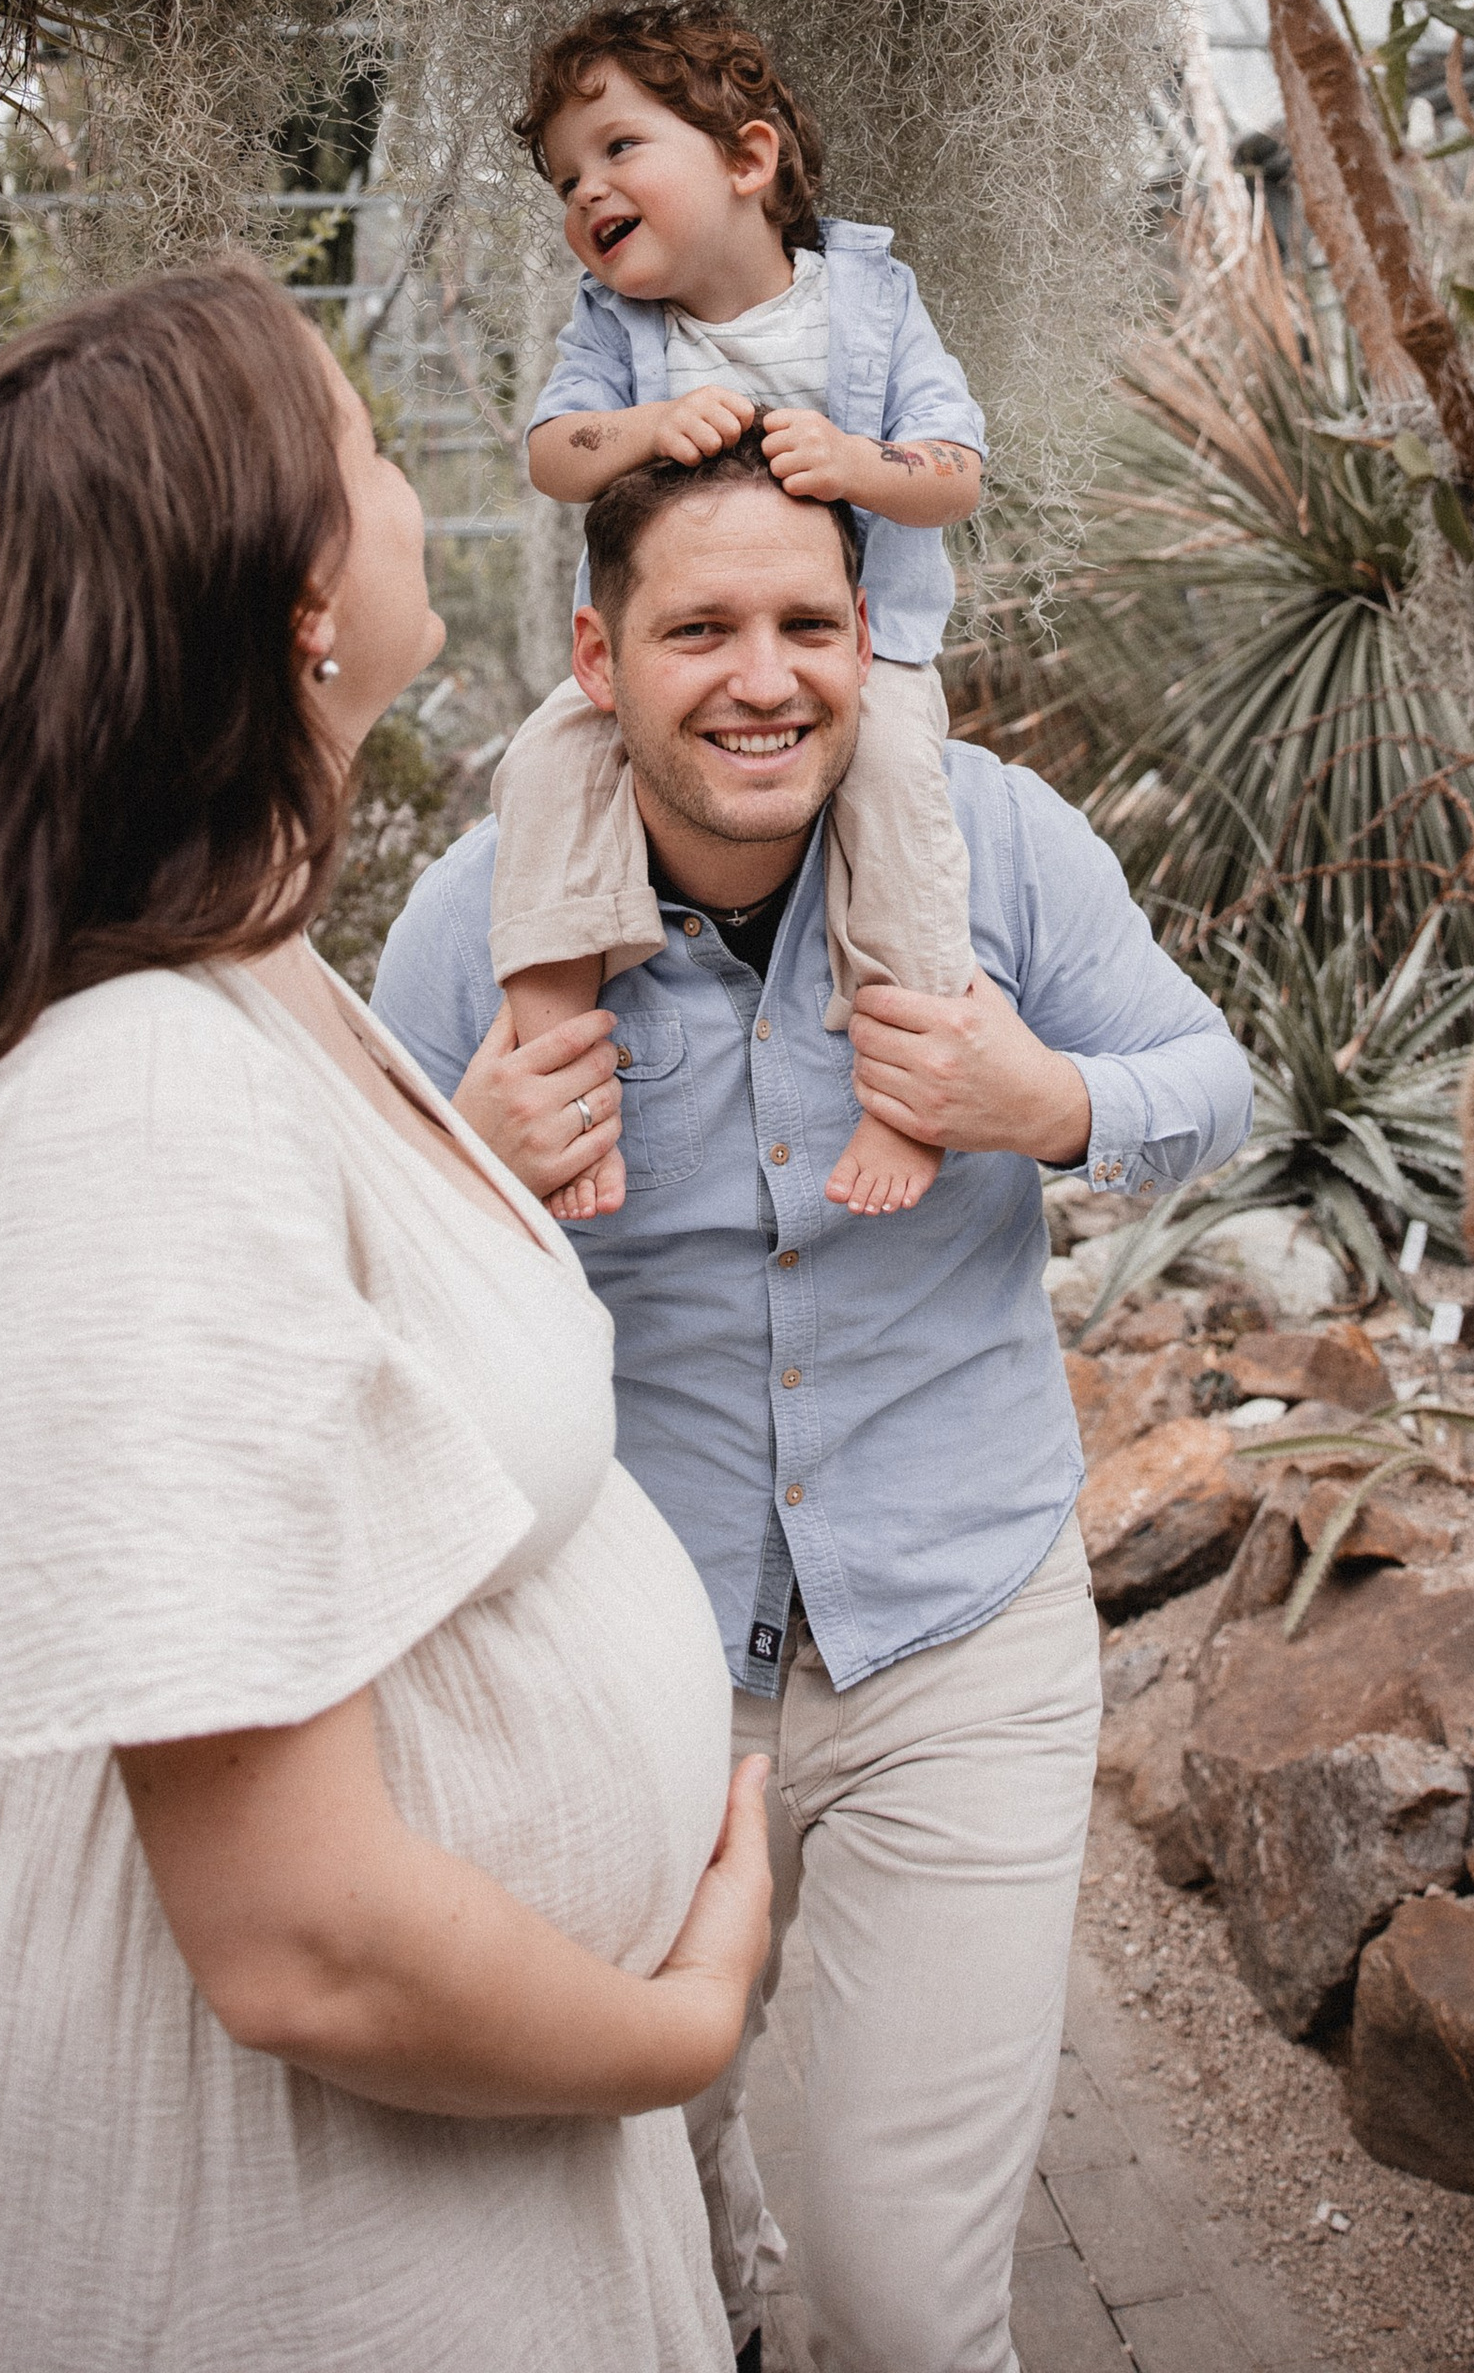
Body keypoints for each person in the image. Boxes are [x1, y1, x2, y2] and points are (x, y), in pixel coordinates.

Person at [0, 266, 773, 2373]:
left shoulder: (237, 981)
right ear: (295, 588)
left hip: (428, 2191)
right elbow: (303, 1941)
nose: (414, 489)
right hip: (267, 2244)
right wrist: (673, 2030)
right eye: (374, 450)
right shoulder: (140, 1093)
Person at [372, 432, 1252, 2373]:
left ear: (868, 640)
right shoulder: (475, 924)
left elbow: (1217, 1080)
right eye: (699, 628)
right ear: (598, 662)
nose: (760, 676)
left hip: (957, 1638)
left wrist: (1056, 1107)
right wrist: (460, 1157)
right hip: (628, 1666)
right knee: (646, 2212)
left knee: (902, 2294)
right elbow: (335, 1293)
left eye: (804, 623)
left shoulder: (997, 844)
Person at [496, 0, 986, 1221]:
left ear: (747, 160)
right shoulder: (613, 329)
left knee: (897, 796)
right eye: (565, 177)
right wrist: (647, 429)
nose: (585, 191)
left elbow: (957, 473)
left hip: (855, 668)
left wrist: (858, 466)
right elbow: (554, 453)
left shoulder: (869, 303)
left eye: (617, 148)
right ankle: (558, 1072)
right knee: (547, 761)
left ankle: (910, 1078)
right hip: (664, 674)